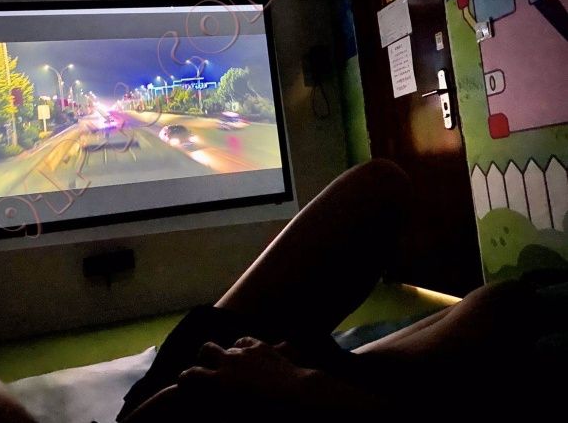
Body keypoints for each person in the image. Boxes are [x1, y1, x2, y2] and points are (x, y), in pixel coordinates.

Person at [116, 159, 566, 422]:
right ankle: (331, 373)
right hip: (263, 395)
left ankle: (329, 371)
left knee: (381, 185)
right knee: (508, 302)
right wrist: (300, 385)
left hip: (202, 375)